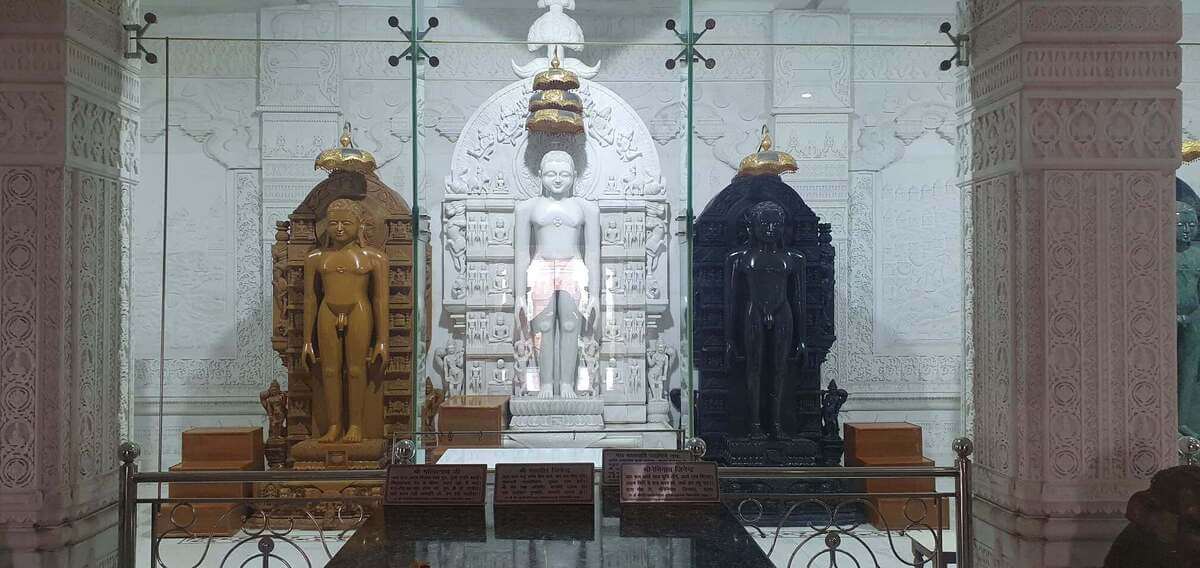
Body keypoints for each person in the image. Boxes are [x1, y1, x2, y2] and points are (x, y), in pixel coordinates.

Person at [301, 199, 389, 444]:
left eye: (346, 222)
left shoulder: (374, 258)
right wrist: (307, 340)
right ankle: (333, 425)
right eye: (333, 223)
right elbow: (309, 299)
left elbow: (380, 300)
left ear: (360, 224)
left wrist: (382, 340)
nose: (339, 228)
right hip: (326, 311)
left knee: (355, 369)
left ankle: (356, 425)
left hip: (359, 309)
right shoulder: (316, 258)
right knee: (329, 371)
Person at [513, 151, 600, 398]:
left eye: (564, 174)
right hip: (541, 266)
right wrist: (519, 294)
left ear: (574, 175)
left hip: (573, 266)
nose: (558, 179)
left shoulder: (587, 209)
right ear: (540, 175)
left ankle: (567, 384)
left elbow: (593, 253)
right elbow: (521, 253)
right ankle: (547, 383)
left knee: (572, 325)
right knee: (543, 325)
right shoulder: (527, 208)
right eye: (551, 174)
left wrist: (595, 294)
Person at [725, 201, 806, 439]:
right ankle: (754, 425)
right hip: (752, 312)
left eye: (776, 224)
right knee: (754, 368)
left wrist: (802, 339)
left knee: (780, 370)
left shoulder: (794, 258)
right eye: (765, 223)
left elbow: (800, 301)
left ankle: (777, 424)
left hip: (784, 312)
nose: (771, 229)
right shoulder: (739, 258)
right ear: (752, 226)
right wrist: (729, 339)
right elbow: (731, 301)